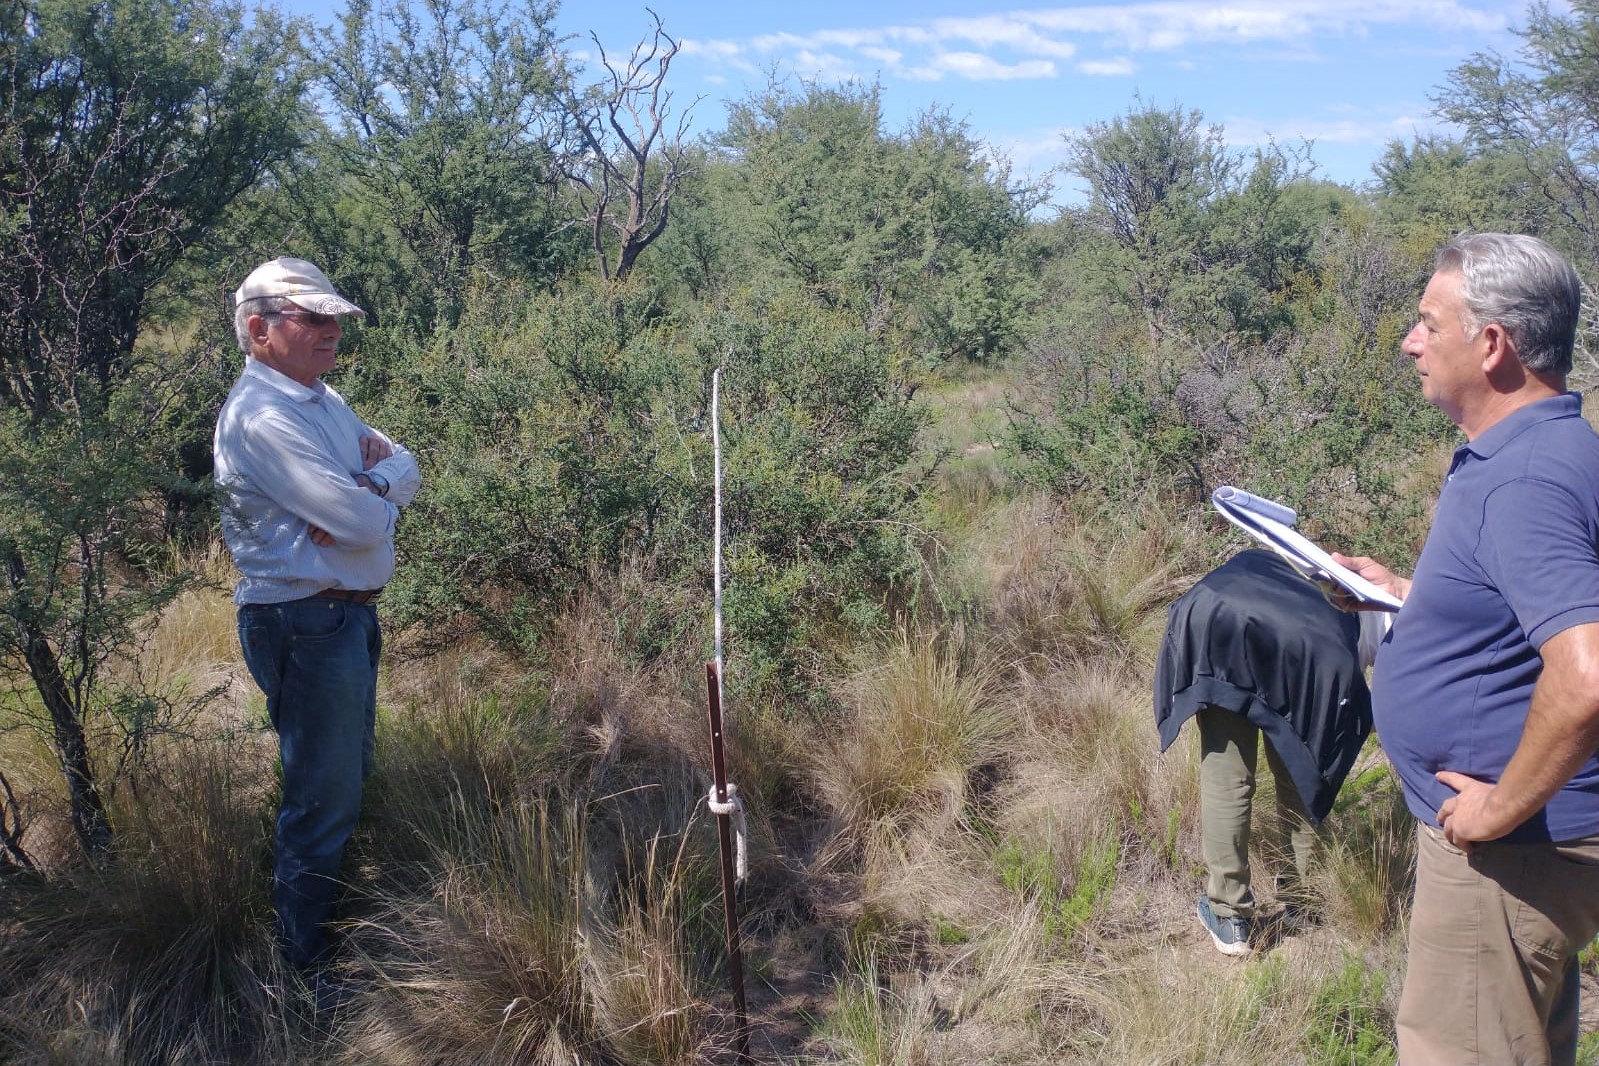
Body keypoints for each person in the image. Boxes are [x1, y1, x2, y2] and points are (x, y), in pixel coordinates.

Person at [1334, 233, 1599, 1066]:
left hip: (1511, 856)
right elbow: (1523, 614)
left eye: (1426, 322)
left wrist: (1496, 809)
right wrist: (1408, 596)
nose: (1410, 342)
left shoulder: (1521, 480)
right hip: (1526, 855)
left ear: (1491, 344)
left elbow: (1586, 674)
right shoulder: (1550, 447)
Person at [213, 257, 421, 973]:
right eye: (313, 318)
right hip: (304, 623)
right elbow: (360, 524)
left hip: (341, 619)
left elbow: (407, 468)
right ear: (259, 329)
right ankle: (304, 969)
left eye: (334, 318)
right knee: (321, 801)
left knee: (345, 779)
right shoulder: (264, 416)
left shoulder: (321, 400)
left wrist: (376, 484)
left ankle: (324, 933)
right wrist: (373, 501)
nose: (331, 330)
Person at [1156, 550, 1382, 955]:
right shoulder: (1362, 635)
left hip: (1217, 617)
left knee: (1228, 779)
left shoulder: (1329, 581)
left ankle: (1230, 916)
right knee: (1303, 767)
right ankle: (1303, 899)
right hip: (1275, 639)